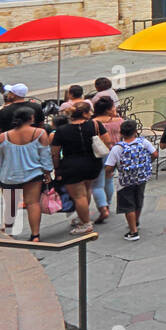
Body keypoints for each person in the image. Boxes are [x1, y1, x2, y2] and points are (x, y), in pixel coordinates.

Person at [0, 107, 52, 242]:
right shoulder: (40, 133)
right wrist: (47, 172)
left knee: (11, 204)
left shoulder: (3, 137)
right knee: (33, 203)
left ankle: (8, 230)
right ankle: (35, 235)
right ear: (31, 118)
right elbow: (45, 155)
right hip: (34, 174)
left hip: (9, 176)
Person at [50, 101, 109, 235]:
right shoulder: (95, 124)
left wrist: (56, 167)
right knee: (86, 189)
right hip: (93, 163)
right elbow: (107, 141)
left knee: (78, 196)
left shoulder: (62, 131)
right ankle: (83, 218)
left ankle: (86, 223)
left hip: (72, 165)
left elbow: (55, 152)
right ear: (84, 113)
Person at [106, 119, 155, 242]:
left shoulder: (117, 148)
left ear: (121, 133)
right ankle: (136, 221)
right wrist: (146, 163)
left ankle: (133, 232)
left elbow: (109, 167)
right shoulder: (143, 142)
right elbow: (155, 154)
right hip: (141, 177)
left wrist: (110, 173)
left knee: (128, 205)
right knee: (138, 200)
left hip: (125, 181)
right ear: (135, 131)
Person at [0, 84, 45, 159]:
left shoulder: (5, 111)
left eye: (9, 92)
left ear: (13, 95)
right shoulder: (36, 107)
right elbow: (41, 124)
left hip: (11, 146)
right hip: (32, 144)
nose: (7, 94)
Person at [91, 96, 124, 224]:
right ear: (108, 110)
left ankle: (102, 207)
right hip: (115, 153)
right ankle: (108, 205)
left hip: (98, 154)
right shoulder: (119, 121)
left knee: (97, 184)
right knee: (109, 179)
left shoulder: (92, 122)